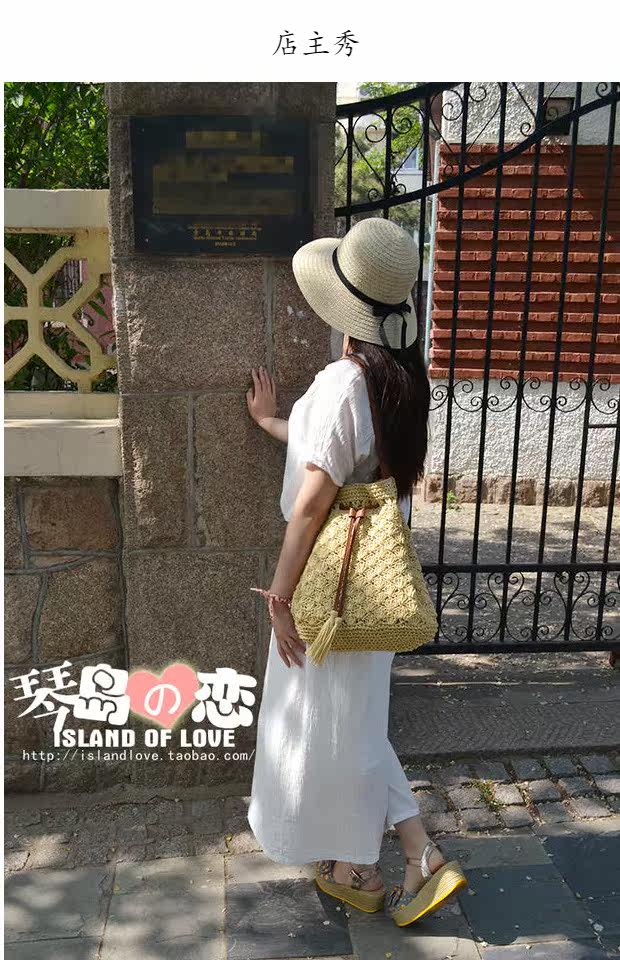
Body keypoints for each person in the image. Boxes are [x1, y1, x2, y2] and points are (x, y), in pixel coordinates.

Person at [245, 218, 466, 927]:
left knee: (342, 728)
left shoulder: (345, 381)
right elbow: (340, 454)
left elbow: (314, 499)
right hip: (372, 577)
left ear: (344, 307)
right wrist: (274, 424)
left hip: (331, 580)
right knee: (356, 724)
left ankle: (404, 855)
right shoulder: (402, 381)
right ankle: (369, 862)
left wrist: (280, 595)